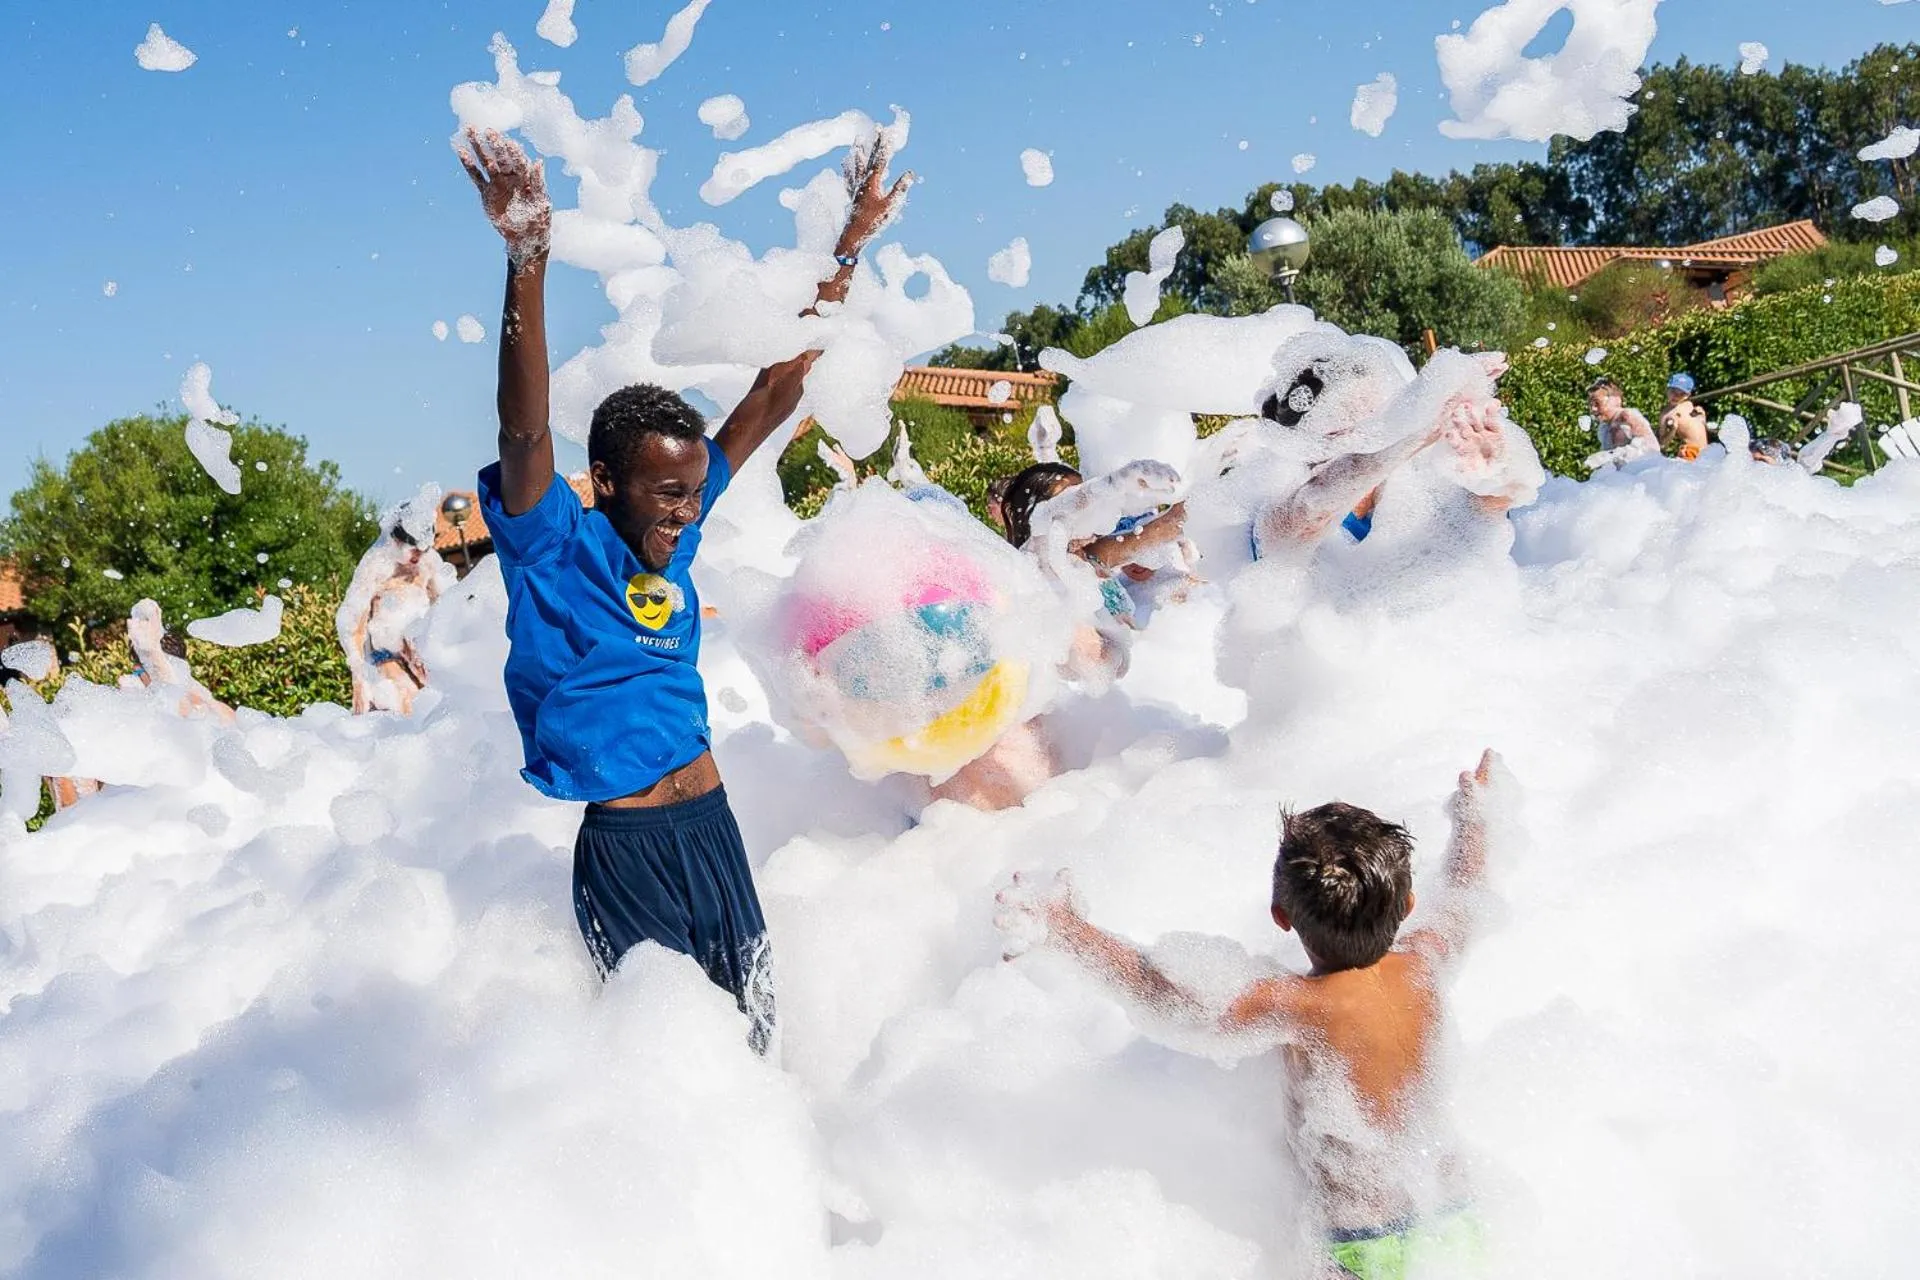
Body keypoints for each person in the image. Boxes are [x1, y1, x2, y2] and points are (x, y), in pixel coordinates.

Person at [457, 125, 909, 1052]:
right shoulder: (551, 545)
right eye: (668, 496)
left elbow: (774, 392)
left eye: (695, 495)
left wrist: (850, 247)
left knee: (757, 1049)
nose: (686, 514)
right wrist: (529, 257)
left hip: (713, 828)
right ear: (608, 482)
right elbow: (525, 428)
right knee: (669, 1069)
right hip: (625, 858)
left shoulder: (676, 534)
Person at [997, 750, 1509, 1278]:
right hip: (1452, 1216)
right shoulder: (1427, 960)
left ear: (1282, 917)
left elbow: (1169, 997)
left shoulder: (1302, 1007)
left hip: (1362, 1245)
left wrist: (1066, 932)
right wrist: (1476, 819)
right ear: (1407, 907)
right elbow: (1465, 896)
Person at [338, 520, 450, 715]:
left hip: (422, 654)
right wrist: (359, 679)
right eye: (414, 549)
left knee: (439, 711)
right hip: (386, 655)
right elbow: (354, 626)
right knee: (409, 711)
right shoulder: (377, 565)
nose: (419, 555)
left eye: (424, 549)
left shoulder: (429, 562)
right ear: (396, 541)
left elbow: (447, 604)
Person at [1583, 377, 1658, 471]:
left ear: (1615, 400)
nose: (1593, 409)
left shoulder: (1627, 416)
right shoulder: (1604, 427)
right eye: (1590, 405)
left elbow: (1652, 447)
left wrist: (1609, 456)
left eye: (1597, 403)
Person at [1658, 373, 1710, 461]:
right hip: (1690, 453)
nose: (1676, 396)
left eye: (1682, 393)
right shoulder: (1666, 414)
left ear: (1688, 395)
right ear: (1667, 389)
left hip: (1707, 452)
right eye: (1673, 391)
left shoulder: (1689, 405)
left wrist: (1702, 419)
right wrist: (1672, 430)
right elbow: (1662, 445)